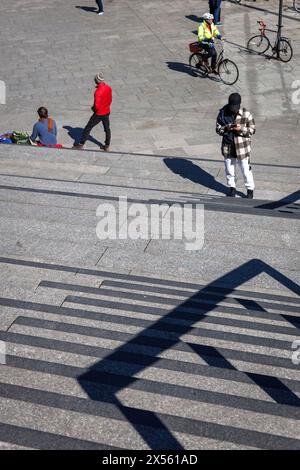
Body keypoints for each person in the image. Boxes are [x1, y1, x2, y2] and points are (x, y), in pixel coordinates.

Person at [216, 93, 256, 199]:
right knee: (229, 169)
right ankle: (232, 187)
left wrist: (241, 129)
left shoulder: (246, 114)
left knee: (245, 169)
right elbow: (218, 130)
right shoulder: (222, 113)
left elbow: (252, 130)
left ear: (239, 105)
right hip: (228, 145)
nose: (233, 109)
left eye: (235, 107)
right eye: (232, 107)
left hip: (242, 147)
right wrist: (227, 128)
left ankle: (250, 189)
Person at [73, 73, 112, 151]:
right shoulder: (108, 88)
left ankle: (81, 144)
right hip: (107, 111)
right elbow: (110, 100)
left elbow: (97, 106)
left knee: (88, 127)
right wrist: (106, 106)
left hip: (99, 113)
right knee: (107, 128)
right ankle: (107, 145)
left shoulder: (98, 92)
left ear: (96, 81)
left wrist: (93, 108)